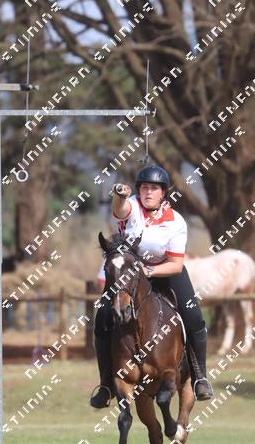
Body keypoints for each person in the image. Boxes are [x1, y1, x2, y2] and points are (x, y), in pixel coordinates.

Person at [89, 165, 214, 408]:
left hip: (164, 271)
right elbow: (119, 209)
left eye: (154, 188)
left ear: (163, 193)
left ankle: (200, 377)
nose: (148, 192)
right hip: (128, 274)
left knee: (194, 318)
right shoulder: (132, 206)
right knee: (102, 317)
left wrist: (149, 271)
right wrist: (119, 195)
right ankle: (105, 385)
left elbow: (176, 264)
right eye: (144, 187)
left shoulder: (175, 221)